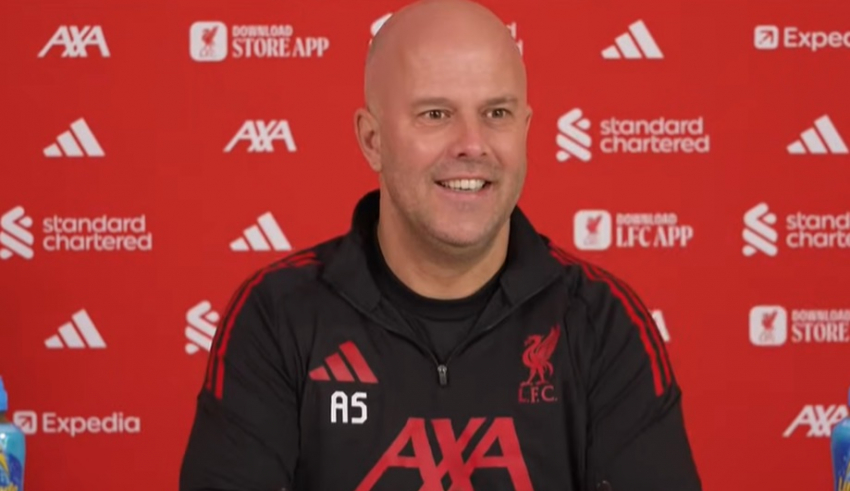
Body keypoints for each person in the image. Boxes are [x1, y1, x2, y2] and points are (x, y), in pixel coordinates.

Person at [179, 0, 702, 489]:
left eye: (496, 114)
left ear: (525, 130)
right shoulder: (278, 315)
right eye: (436, 114)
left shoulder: (602, 322)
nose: (472, 144)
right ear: (372, 140)